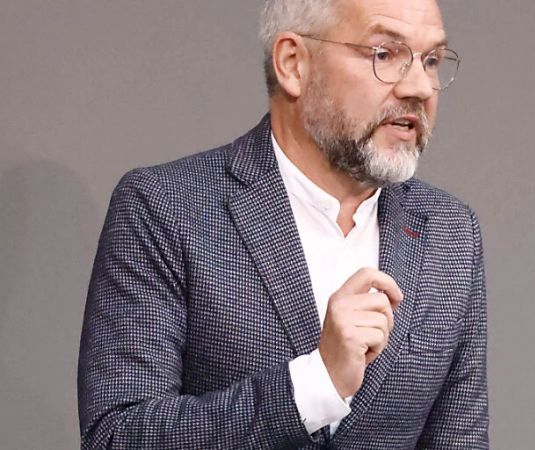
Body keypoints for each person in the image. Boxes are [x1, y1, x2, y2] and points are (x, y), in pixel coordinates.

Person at [76, 0, 488, 448]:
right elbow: (117, 437)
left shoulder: (451, 233)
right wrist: (313, 386)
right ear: (293, 64)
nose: (420, 87)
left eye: (430, 61)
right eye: (384, 54)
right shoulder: (167, 207)